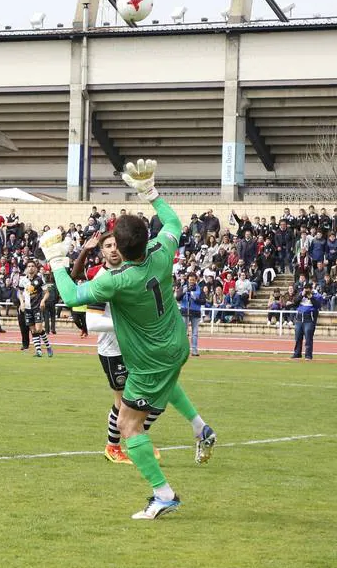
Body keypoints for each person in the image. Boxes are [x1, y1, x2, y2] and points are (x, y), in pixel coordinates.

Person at [42, 160, 188, 519]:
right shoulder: (162, 250)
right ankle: (200, 428)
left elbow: (73, 297)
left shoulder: (117, 279)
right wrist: (150, 192)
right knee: (139, 407)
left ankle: (163, 493)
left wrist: (56, 260)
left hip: (150, 359)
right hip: (177, 344)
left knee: (128, 425)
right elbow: (173, 222)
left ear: (119, 250)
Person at [71, 231, 217, 467]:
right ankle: (115, 447)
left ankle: (143, 437)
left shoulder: (132, 272)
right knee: (122, 404)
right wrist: (130, 325)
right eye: (108, 246)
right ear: (102, 252)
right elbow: (93, 322)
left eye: (117, 245)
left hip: (139, 349)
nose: (113, 249)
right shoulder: (103, 279)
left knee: (155, 395)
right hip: (114, 351)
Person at [19, 262, 52, 358]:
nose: (31, 268)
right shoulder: (23, 280)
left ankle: (48, 346)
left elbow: (47, 293)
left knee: (38, 329)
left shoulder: (40, 279)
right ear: (26, 268)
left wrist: (43, 301)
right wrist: (22, 302)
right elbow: (19, 292)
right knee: (33, 330)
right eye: (29, 266)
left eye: (32, 266)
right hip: (28, 308)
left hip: (37, 307)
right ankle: (38, 351)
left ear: (36, 269)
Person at [291, 283, 323, 360]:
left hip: (309, 319)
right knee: (298, 337)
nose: (306, 291)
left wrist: (311, 297)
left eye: (308, 289)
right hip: (299, 318)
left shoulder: (316, 295)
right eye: (305, 289)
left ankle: (308, 355)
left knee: (308, 338)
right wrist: (301, 295)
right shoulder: (301, 294)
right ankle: (297, 353)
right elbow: (294, 302)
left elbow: (318, 306)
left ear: (311, 289)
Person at [178, 272, 205, 357]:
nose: (191, 281)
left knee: (195, 332)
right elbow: (177, 298)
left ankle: (194, 350)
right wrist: (183, 293)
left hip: (196, 313)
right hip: (185, 312)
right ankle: (182, 350)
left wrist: (195, 298)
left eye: (193, 280)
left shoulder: (200, 289)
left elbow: (203, 301)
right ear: (188, 280)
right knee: (183, 332)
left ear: (196, 280)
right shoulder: (183, 287)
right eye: (190, 280)